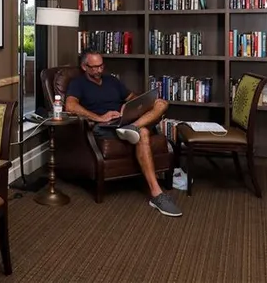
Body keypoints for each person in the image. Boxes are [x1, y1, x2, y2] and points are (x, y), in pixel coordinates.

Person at [65, 51, 182, 217]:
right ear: (84, 67)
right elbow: (70, 106)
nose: (99, 70)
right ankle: (157, 194)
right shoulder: (78, 84)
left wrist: (130, 107)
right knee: (143, 132)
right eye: (94, 67)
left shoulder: (112, 80)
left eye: (101, 66)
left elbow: (133, 97)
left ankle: (132, 126)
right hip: (105, 126)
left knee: (161, 103)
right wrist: (99, 117)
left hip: (124, 120)